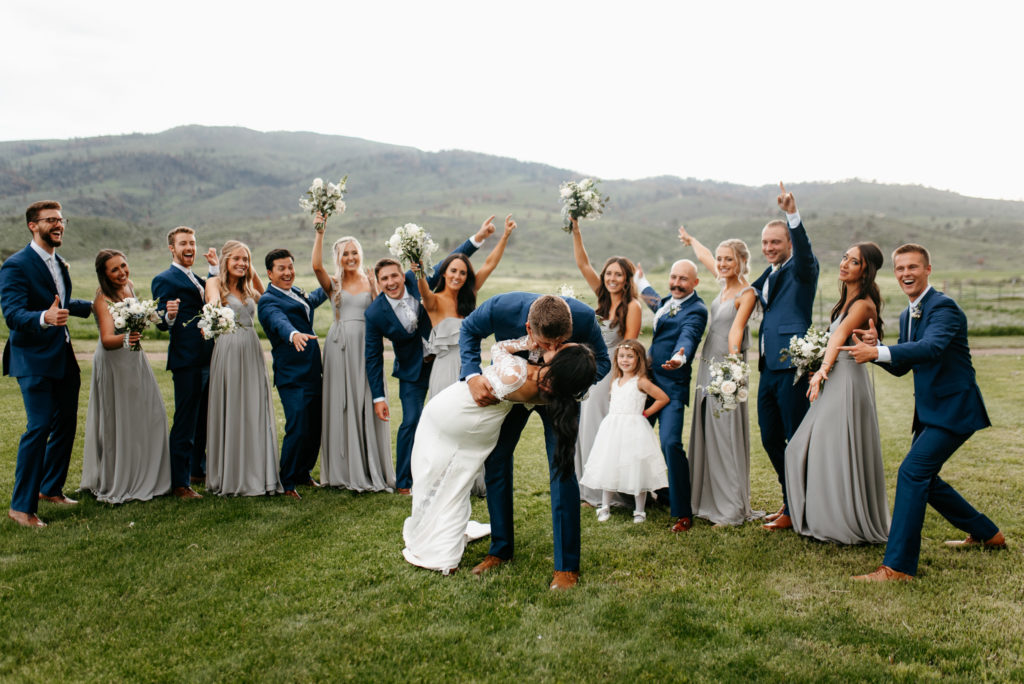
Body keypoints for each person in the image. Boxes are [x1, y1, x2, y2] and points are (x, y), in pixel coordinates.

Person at [842, 244, 1006, 581]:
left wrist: (880, 352)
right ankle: (988, 534)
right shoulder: (908, 314)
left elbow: (930, 349)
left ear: (928, 270)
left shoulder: (943, 307)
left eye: (913, 267)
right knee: (926, 480)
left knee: (912, 474)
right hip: (932, 413)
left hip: (954, 410)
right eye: (900, 268)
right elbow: (906, 364)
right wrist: (878, 350)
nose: (906, 274)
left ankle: (898, 567)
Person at [402, 341, 595, 575]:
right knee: (453, 482)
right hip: (465, 419)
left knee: (441, 478)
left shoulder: (520, 374)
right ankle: (442, 548)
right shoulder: (540, 389)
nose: (552, 345)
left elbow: (497, 349)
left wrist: (529, 343)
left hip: (457, 412)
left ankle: (438, 545)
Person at [459, 293, 610, 590]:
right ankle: (500, 550)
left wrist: (571, 381)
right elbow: (468, 330)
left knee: (562, 467)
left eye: (560, 343)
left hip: (558, 399)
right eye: (545, 343)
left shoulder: (582, 316)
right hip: (513, 389)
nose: (552, 350)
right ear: (528, 328)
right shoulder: (500, 307)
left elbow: (602, 361)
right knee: (497, 460)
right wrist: (471, 374)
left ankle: (566, 566)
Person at [364, 223, 491, 495]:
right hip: (411, 372)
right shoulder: (374, 314)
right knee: (412, 421)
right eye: (384, 279)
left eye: (394, 276)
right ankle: (404, 482)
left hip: (442, 364)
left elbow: (452, 262)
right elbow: (372, 356)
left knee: (452, 419)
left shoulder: (417, 280)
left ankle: (455, 473)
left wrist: (478, 239)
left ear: (403, 274)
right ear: (378, 282)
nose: (391, 282)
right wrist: (378, 397)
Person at [783, 243, 889, 544]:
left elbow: (840, 336)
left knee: (831, 450)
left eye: (853, 261)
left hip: (844, 380)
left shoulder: (863, 304)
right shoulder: (846, 302)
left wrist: (820, 370)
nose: (844, 264)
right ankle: (822, 515)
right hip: (834, 377)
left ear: (865, 270)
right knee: (806, 448)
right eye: (844, 257)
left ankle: (839, 523)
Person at [2, 201, 93, 527]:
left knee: (66, 422)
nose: (59, 225)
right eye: (51, 220)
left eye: (61, 219)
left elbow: (62, 302)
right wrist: (44, 317)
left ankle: (50, 488)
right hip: (33, 358)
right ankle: (20, 507)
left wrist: (94, 305)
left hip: (63, 356)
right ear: (33, 225)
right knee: (39, 427)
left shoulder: (59, 263)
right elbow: (12, 314)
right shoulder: (16, 265)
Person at [418, 214, 516, 497]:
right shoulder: (433, 301)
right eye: (453, 271)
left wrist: (505, 235)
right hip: (444, 367)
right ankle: (441, 481)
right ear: (444, 273)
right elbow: (421, 283)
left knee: (472, 423)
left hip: (470, 367)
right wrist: (415, 262)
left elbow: (489, 264)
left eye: (462, 272)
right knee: (446, 425)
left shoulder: (470, 294)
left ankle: (470, 480)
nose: (458, 276)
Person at [677, 227, 762, 526]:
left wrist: (733, 369)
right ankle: (707, 498)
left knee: (725, 433)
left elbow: (737, 329)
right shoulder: (723, 282)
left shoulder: (747, 292)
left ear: (741, 261)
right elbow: (704, 257)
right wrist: (692, 241)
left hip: (727, 366)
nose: (723, 263)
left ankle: (731, 508)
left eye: (729, 259)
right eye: (721, 259)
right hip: (708, 362)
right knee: (707, 430)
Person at [750, 183, 819, 531]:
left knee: (795, 438)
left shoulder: (803, 270)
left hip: (793, 366)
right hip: (768, 368)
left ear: (789, 242)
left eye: (775, 242)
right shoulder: (769, 274)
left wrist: (792, 214)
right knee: (769, 437)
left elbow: (805, 252)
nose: (769, 248)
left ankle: (800, 506)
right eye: (764, 243)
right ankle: (790, 498)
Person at [80, 250, 172, 503]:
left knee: (151, 415)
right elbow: (107, 339)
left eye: (123, 266)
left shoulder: (129, 286)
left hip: (134, 357)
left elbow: (136, 319)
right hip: (114, 361)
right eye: (114, 270)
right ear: (104, 274)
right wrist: (127, 337)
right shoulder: (102, 299)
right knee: (120, 419)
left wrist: (143, 322)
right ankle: (120, 478)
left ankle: (147, 473)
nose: (122, 273)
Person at [311, 228, 393, 492]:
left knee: (368, 399)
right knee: (341, 403)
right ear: (338, 257)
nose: (350, 257)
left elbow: (383, 314)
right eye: (345, 253)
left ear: (360, 254)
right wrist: (320, 232)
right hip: (340, 348)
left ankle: (371, 467)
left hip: (367, 346)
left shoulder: (372, 280)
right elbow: (315, 265)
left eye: (354, 252)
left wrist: (377, 291)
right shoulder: (333, 284)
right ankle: (343, 470)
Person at [568, 215, 642, 508]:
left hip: (611, 372)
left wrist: (616, 381)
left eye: (618, 275)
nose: (612, 279)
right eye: (608, 273)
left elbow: (631, 347)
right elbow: (583, 265)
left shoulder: (633, 306)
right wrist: (576, 230)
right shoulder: (601, 297)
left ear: (627, 279)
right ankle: (588, 489)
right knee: (585, 426)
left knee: (599, 428)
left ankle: (604, 493)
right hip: (592, 369)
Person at [204, 240, 282, 497]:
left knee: (253, 408)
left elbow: (269, 295)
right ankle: (232, 474)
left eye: (245, 259)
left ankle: (257, 472)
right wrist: (215, 310)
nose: (241, 264)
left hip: (251, 347)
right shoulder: (215, 283)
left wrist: (251, 269)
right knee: (233, 406)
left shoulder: (249, 288)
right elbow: (213, 304)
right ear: (225, 261)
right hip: (228, 347)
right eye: (236, 259)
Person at [637, 259, 709, 532]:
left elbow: (688, 336)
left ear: (695, 283)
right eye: (674, 277)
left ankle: (682, 511)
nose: (677, 283)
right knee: (635, 434)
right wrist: (640, 281)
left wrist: (681, 356)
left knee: (669, 443)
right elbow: (656, 303)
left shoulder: (697, 310)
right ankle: (645, 494)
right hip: (649, 383)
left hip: (672, 386)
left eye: (684, 279)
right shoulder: (668, 301)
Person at [152, 226, 219, 499]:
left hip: (207, 356)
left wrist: (214, 270)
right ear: (172, 248)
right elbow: (161, 323)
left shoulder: (196, 277)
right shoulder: (164, 279)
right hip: (187, 359)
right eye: (183, 243)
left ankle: (197, 470)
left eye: (192, 242)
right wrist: (168, 316)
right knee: (186, 420)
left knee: (203, 418)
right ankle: (180, 483)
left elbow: (210, 300)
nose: (189, 247)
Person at [257, 248, 328, 499]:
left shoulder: (295, 292)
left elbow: (310, 303)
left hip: (311, 371)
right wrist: (293, 334)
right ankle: (286, 482)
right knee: (298, 426)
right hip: (292, 376)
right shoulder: (268, 301)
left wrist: (332, 285)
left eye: (290, 267)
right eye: (281, 269)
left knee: (314, 426)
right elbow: (278, 321)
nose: (288, 272)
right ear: (269, 273)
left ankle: (303, 472)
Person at [580, 340, 669, 524]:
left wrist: (645, 413)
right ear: (616, 359)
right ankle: (605, 506)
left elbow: (662, 398)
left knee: (637, 467)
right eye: (621, 356)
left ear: (639, 359)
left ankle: (639, 510)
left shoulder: (641, 382)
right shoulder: (615, 380)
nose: (625, 360)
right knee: (609, 465)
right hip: (613, 429)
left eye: (630, 356)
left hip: (634, 429)